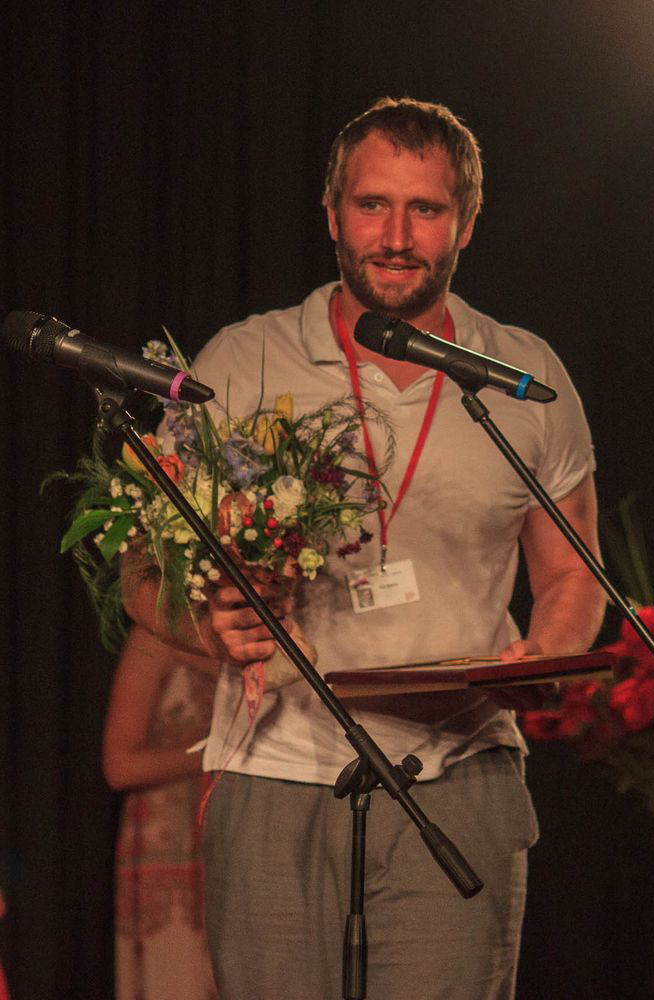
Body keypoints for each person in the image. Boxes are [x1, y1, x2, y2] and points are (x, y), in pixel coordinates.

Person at [123, 97, 606, 999]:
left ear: (467, 221)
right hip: (276, 772)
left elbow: (573, 570)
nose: (396, 235)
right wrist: (211, 626)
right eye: (372, 204)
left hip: (462, 769)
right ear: (332, 212)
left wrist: (547, 652)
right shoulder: (241, 360)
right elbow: (144, 570)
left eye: (426, 209)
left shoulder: (522, 373)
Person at [103, 624, 220, 1000]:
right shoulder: (153, 639)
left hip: (232, 835)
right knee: (177, 978)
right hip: (170, 844)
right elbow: (119, 766)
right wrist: (216, 753)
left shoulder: (264, 633)